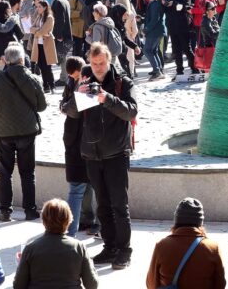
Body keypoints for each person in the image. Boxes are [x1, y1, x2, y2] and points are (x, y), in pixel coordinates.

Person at [79, 43, 137, 269]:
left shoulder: (123, 83)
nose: (98, 68)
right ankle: (110, 246)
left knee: (119, 206)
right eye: (93, 64)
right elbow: (74, 114)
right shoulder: (86, 82)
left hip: (116, 153)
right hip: (93, 155)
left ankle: (124, 249)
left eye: (101, 63)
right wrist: (79, 94)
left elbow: (131, 111)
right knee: (102, 205)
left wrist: (107, 98)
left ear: (109, 60)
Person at [0, 44, 47, 222]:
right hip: (27, 131)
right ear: (22, 59)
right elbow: (42, 106)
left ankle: (5, 211)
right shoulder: (32, 78)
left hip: (3, 132)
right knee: (28, 172)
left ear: (6, 60)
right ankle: (30, 210)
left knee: (5, 172)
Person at [14, 199, 99, 289]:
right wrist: (89, 262)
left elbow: (18, 286)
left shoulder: (30, 248)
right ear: (69, 220)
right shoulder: (78, 247)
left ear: (43, 221)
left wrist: (21, 264)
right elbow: (92, 285)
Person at [146, 198, 225, 289]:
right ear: (200, 223)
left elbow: (151, 284)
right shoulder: (213, 248)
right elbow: (220, 284)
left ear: (177, 220)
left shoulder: (162, 246)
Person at [59, 57, 95, 237]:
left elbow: (73, 109)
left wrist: (75, 98)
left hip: (88, 141)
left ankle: (72, 231)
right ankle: (85, 221)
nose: (76, 79)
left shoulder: (89, 85)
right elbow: (64, 106)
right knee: (82, 186)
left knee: (82, 187)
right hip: (74, 141)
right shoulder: (71, 82)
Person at [163, 0, 195, 77]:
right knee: (176, 50)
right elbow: (165, 10)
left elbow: (186, 7)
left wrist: (175, 3)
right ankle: (179, 71)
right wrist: (164, 4)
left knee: (187, 48)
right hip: (172, 26)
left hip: (183, 25)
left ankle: (195, 67)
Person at [30, 0, 58, 94]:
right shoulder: (39, 16)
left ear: (45, 7)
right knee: (41, 66)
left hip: (47, 45)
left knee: (47, 66)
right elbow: (31, 29)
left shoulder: (49, 18)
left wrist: (38, 32)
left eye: (39, 7)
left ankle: (52, 86)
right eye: (37, 7)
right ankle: (45, 86)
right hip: (38, 45)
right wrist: (39, 31)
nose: (37, 9)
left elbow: (43, 31)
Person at [49, 0, 72, 86]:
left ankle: (64, 78)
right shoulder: (65, 0)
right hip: (66, 33)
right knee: (63, 56)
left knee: (62, 57)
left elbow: (60, 20)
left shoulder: (58, 2)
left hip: (62, 35)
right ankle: (65, 76)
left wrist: (58, 35)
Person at [143, 0, 167, 80]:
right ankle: (158, 70)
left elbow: (155, 19)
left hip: (155, 31)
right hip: (158, 30)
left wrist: (146, 29)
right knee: (153, 50)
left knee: (147, 50)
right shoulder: (155, 2)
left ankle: (157, 72)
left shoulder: (154, 3)